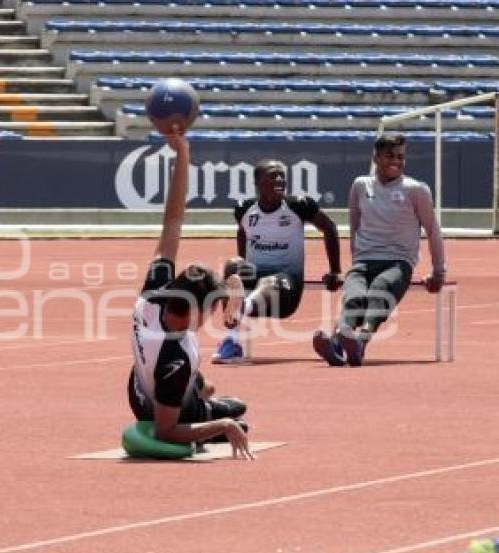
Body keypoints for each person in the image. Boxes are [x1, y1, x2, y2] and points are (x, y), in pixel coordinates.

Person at [127, 127, 254, 459]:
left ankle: (202, 396)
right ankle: (207, 412)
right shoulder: (176, 359)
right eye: (211, 310)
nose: (210, 318)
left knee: (207, 387)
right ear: (195, 309)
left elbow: (173, 220)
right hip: (160, 408)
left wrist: (182, 154)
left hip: (138, 389)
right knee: (238, 411)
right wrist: (223, 425)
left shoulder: (153, 293)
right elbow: (165, 432)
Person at [313, 133, 446, 367]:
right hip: (364, 260)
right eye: (390, 155)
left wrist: (438, 272)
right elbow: (355, 226)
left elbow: (433, 231)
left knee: (380, 288)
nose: (396, 161)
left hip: (398, 261)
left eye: (401, 156)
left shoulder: (416, 190)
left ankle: (360, 343)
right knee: (354, 295)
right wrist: (356, 262)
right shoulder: (360, 185)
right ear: (375, 157)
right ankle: (335, 344)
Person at [212, 160, 342, 362]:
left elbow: (330, 228)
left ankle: (241, 307)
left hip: (286, 288)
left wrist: (335, 271)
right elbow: (242, 232)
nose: (280, 179)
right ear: (258, 183)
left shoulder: (299, 206)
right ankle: (233, 341)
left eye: (282, 175)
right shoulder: (244, 210)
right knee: (232, 264)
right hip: (256, 281)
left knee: (269, 282)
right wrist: (241, 269)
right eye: (273, 175)